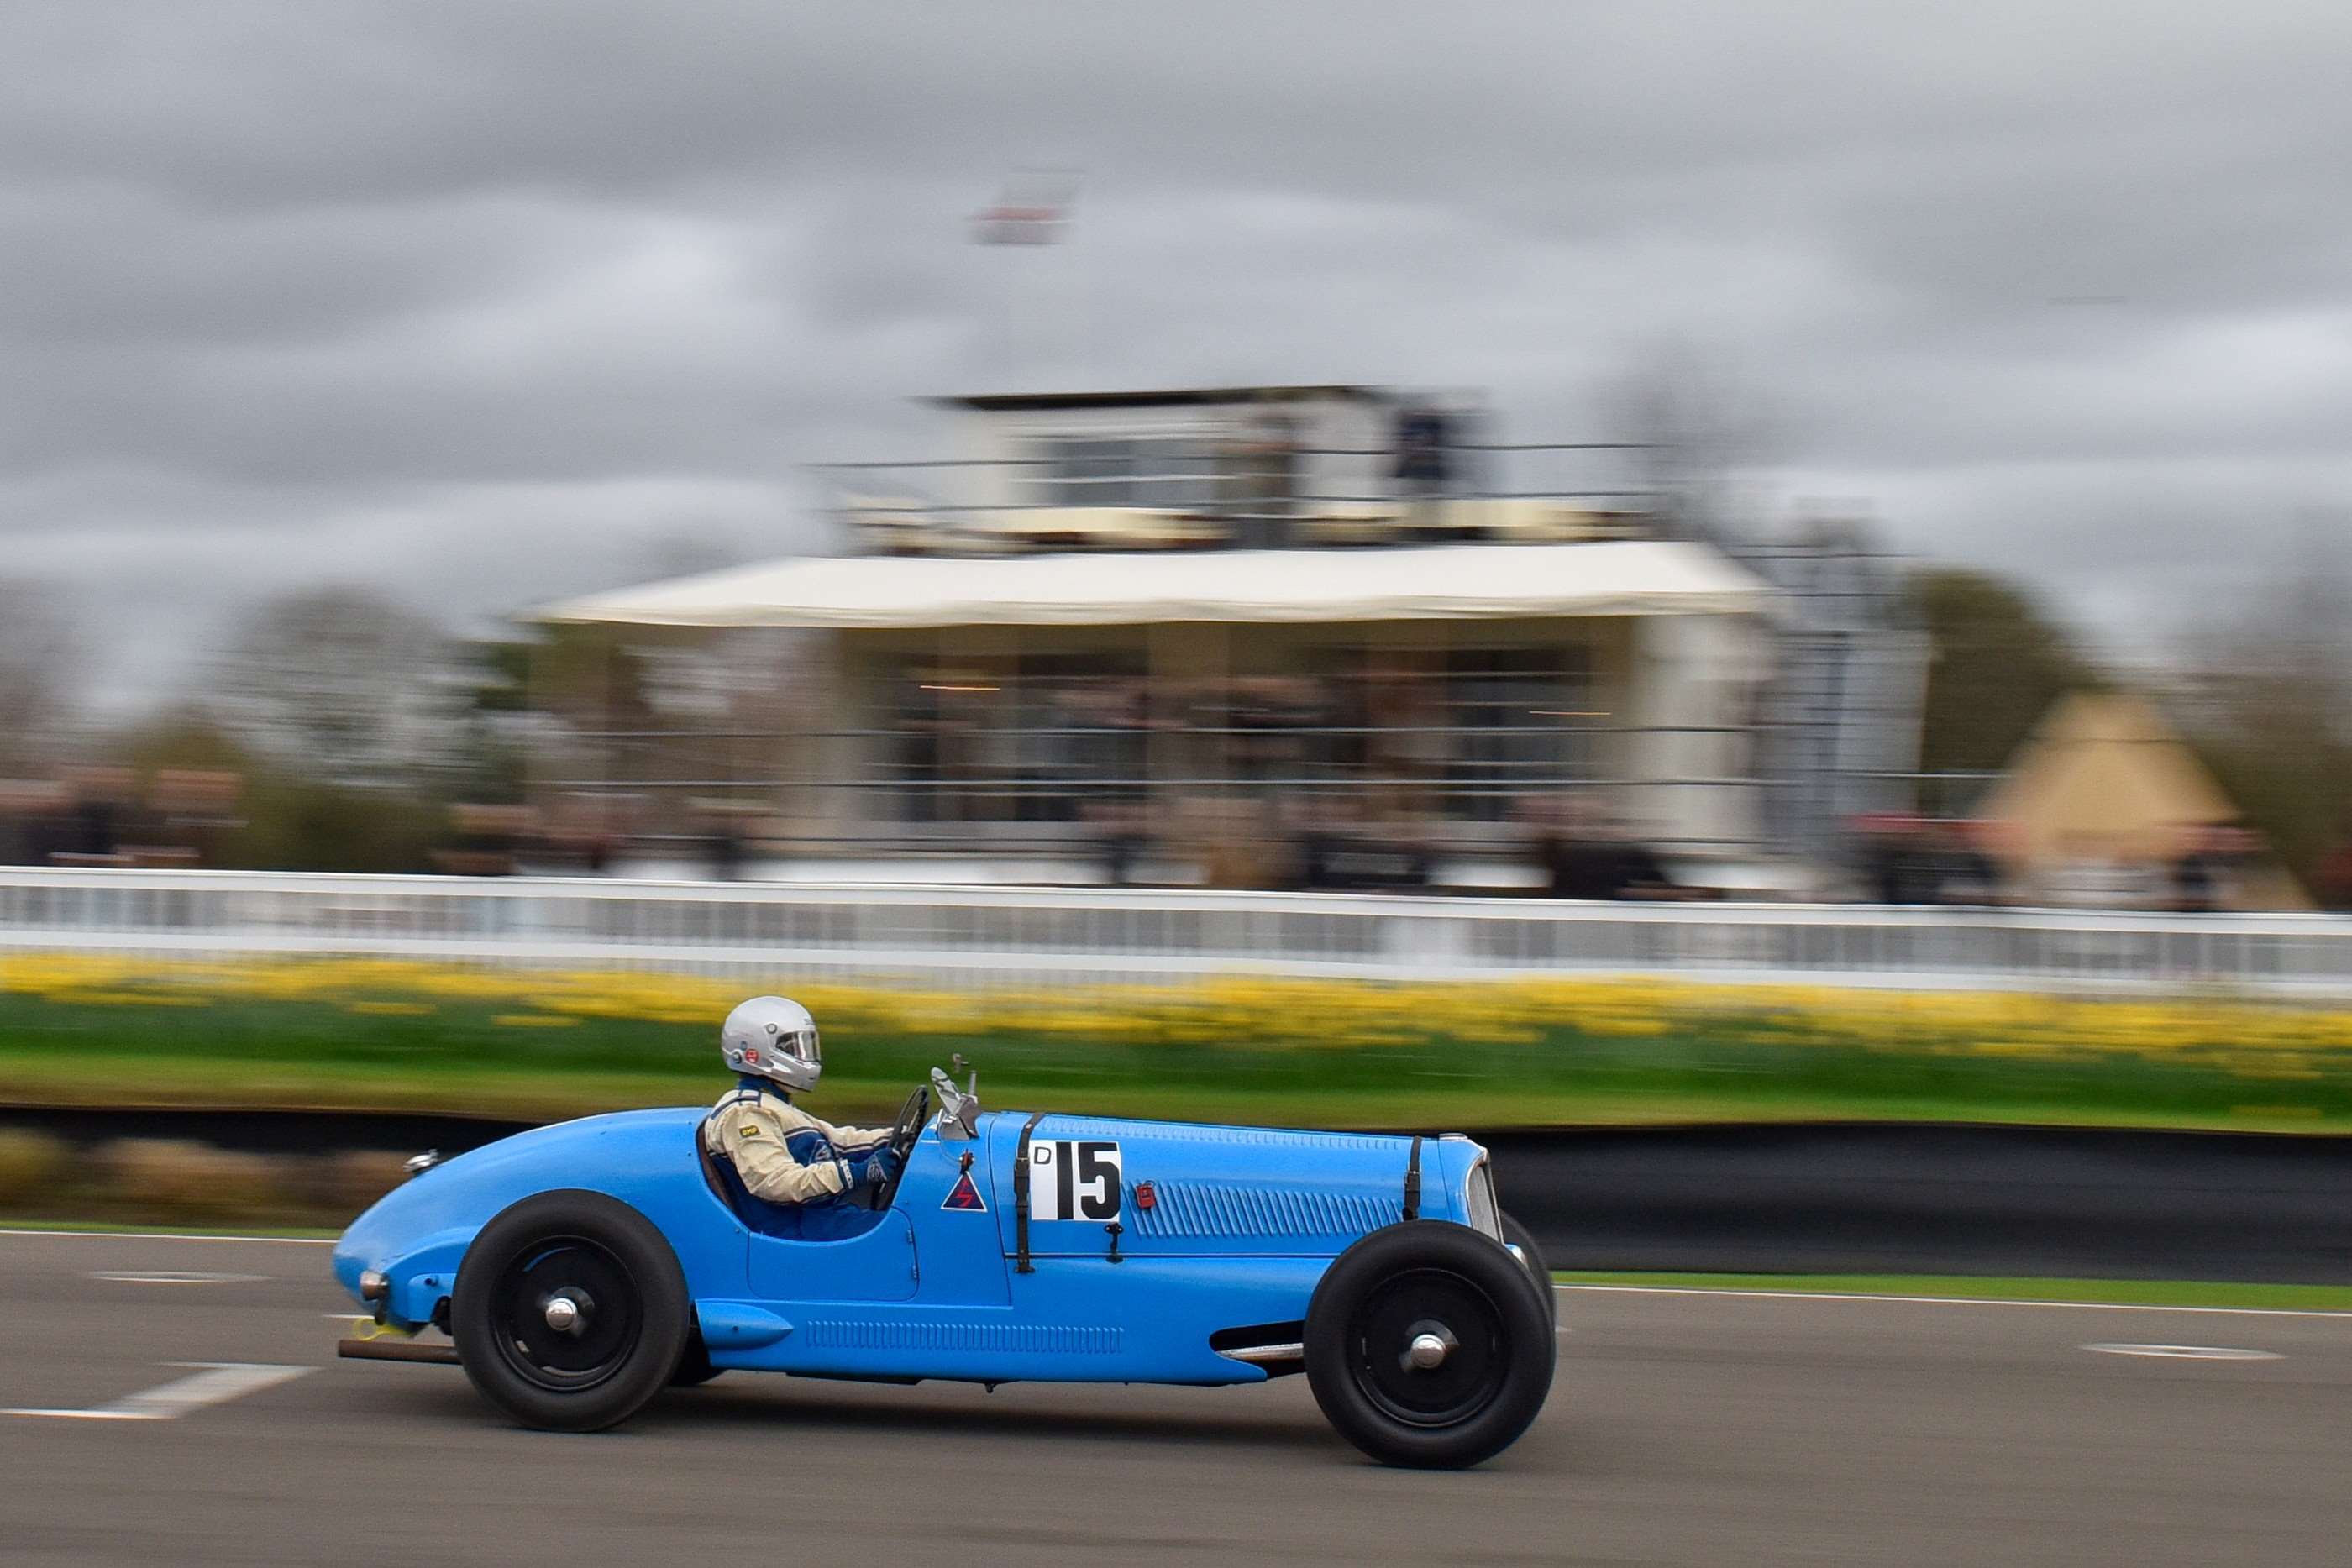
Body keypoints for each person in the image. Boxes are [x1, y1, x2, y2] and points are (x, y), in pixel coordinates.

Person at [701, 996, 897, 1239]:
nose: (804, 1055)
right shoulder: (746, 1113)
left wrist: (899, 1138)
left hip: (820, 1219)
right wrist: (856, 1174)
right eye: (792, 1047)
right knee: (913, 1231)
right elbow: (776, 1182)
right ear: (755, 1051)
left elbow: (839, 1141)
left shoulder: (775, 1105)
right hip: (794, 1229)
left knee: (907, 1222)